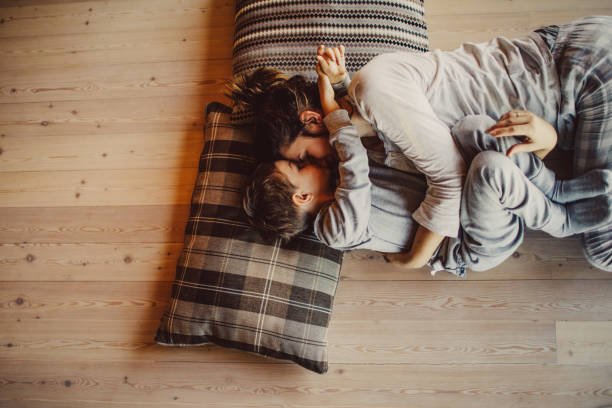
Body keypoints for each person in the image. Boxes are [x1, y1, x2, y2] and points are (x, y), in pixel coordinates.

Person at [233, 16, 612, 271]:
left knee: (601, 249)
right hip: (561, 94)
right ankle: (561, 196)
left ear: (314, 120)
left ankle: (562, 208)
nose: (318, 164)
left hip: (581, 75)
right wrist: (336, 89)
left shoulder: (372, 96)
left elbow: (449, 180)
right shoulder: (375, 126)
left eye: (302, 158)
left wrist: (416, 258)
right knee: (476, 134)